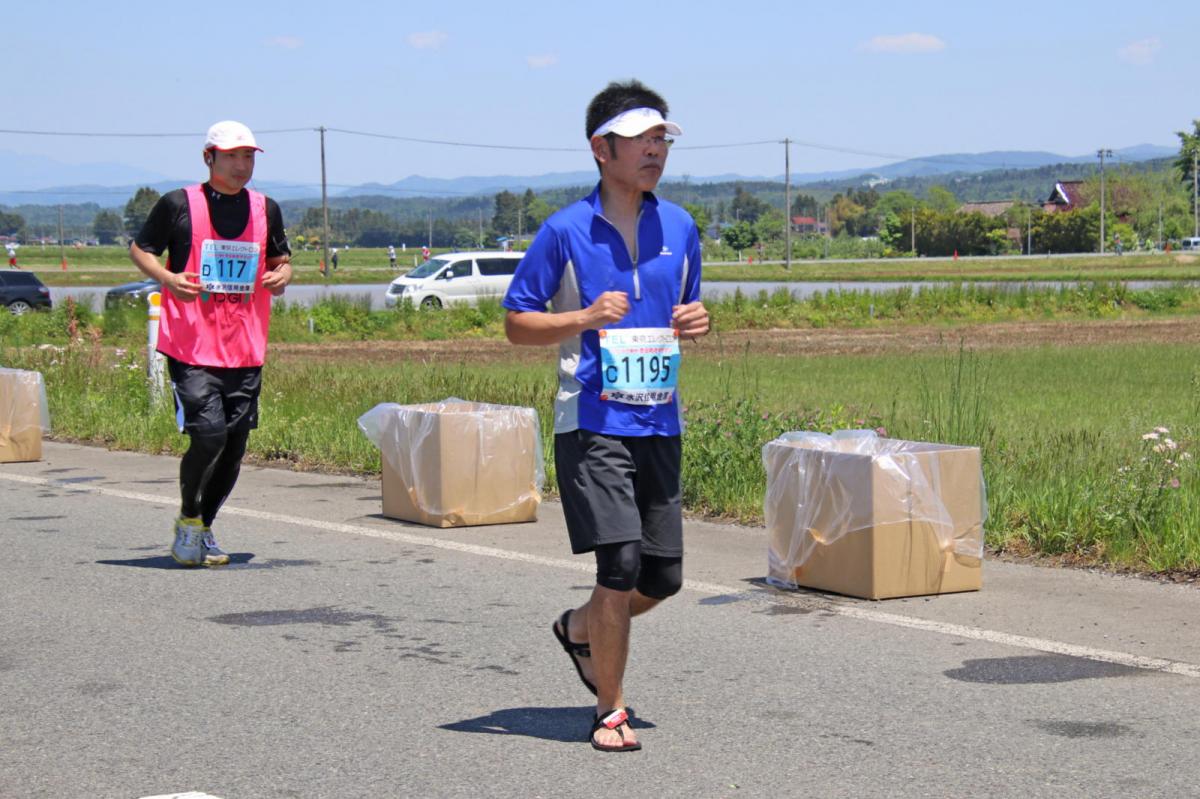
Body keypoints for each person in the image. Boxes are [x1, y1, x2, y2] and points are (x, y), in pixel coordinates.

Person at [503, 80, 709, 753]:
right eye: (640, 139)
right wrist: (584, 318)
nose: (655, 150)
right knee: (617, 566)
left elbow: (686, 309)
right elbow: (517, 322)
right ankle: (609, 710)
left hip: (660, 422)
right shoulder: (565, 230)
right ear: (601, 148)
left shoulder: (680, 227)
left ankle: (578, 628)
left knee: (662, 577)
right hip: (591, 420)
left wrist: (696, 321)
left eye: (661, 139)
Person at [129, 120, 293, 567]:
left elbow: (281, 260)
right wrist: (167, 279)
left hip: (245, 345)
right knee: (208, 436)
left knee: (234, 446)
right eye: (231, 156)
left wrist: (282, 276)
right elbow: (141, 249)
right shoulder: (178, 204)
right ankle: (188, 516)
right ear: (209, 158)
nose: (241, 165)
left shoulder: (266, 208)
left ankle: (203, 526)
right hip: (191, 344)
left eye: (248, 157)